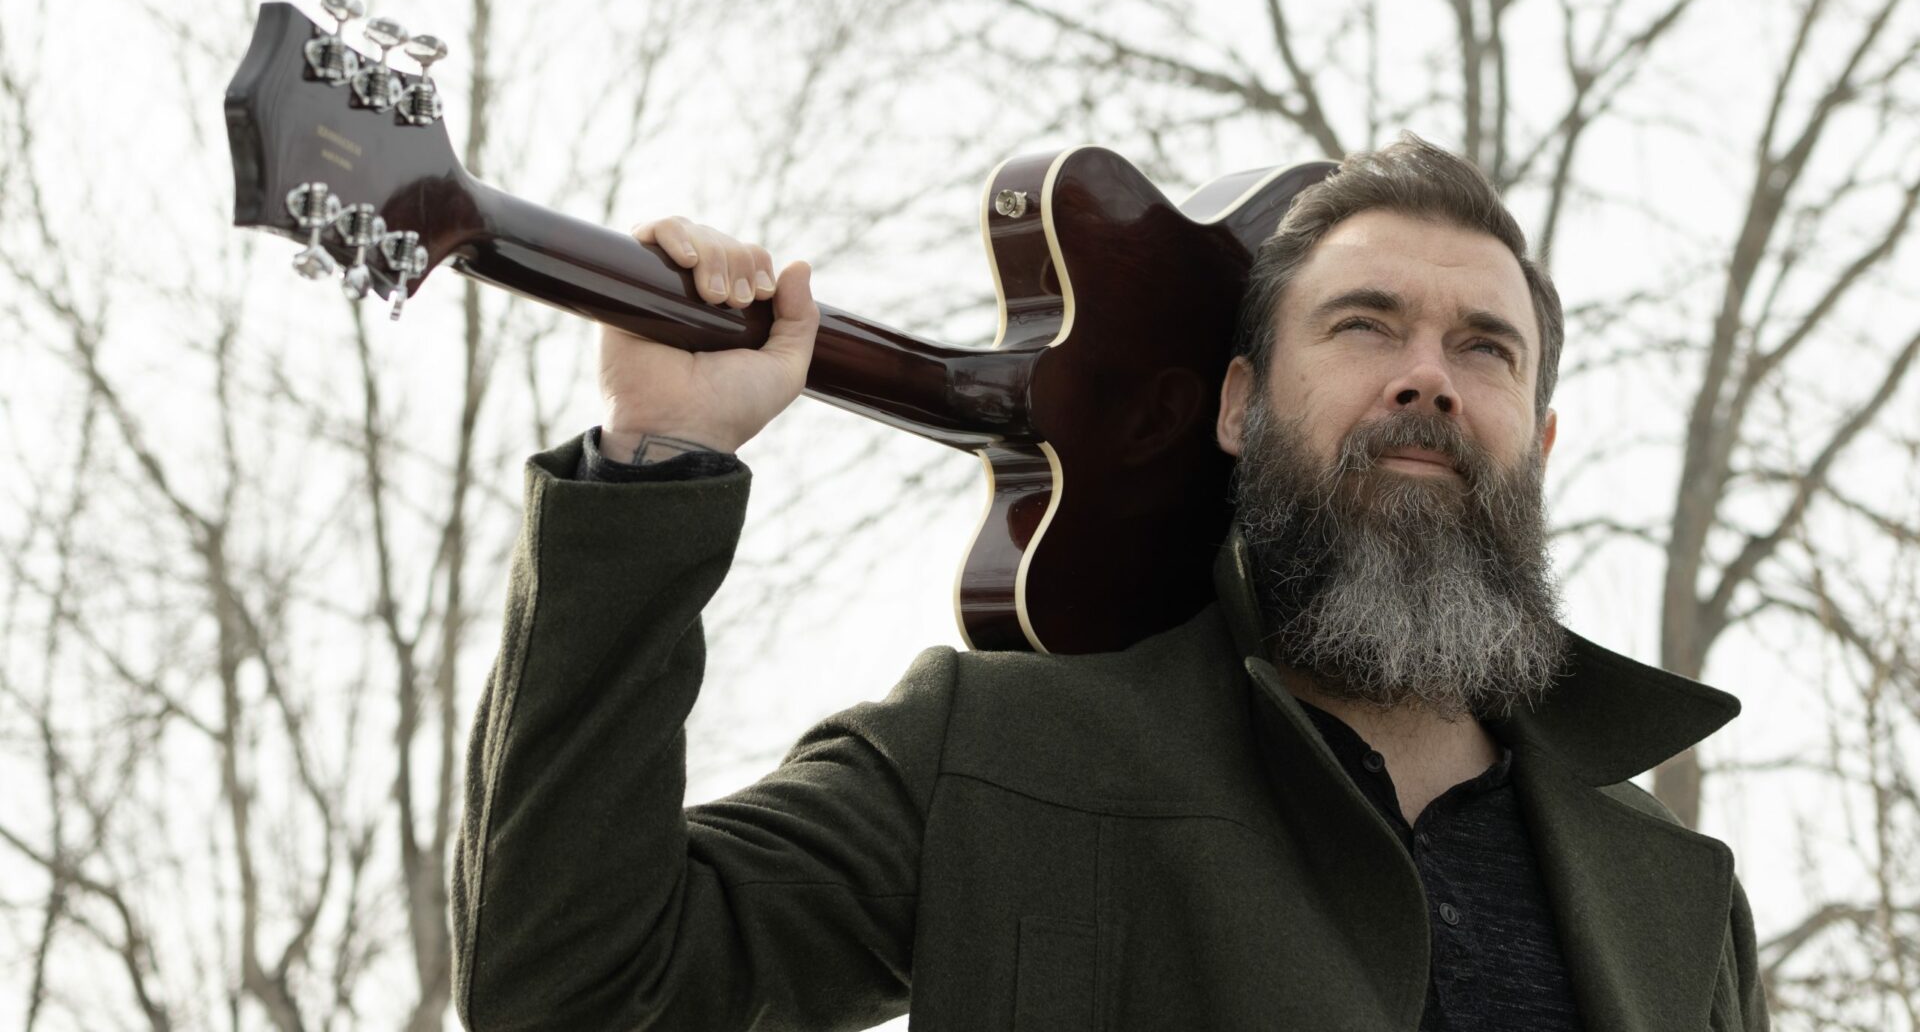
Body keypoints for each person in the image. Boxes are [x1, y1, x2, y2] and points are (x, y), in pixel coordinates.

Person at [451, 136, 1768, 1031]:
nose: (1426, 376)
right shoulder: (992, 757)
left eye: (1485, 349)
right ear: (1240, 408)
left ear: (1538, 442)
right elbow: (573, 990)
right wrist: (659, 454)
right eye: (1364, 325)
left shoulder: (1673, 892)